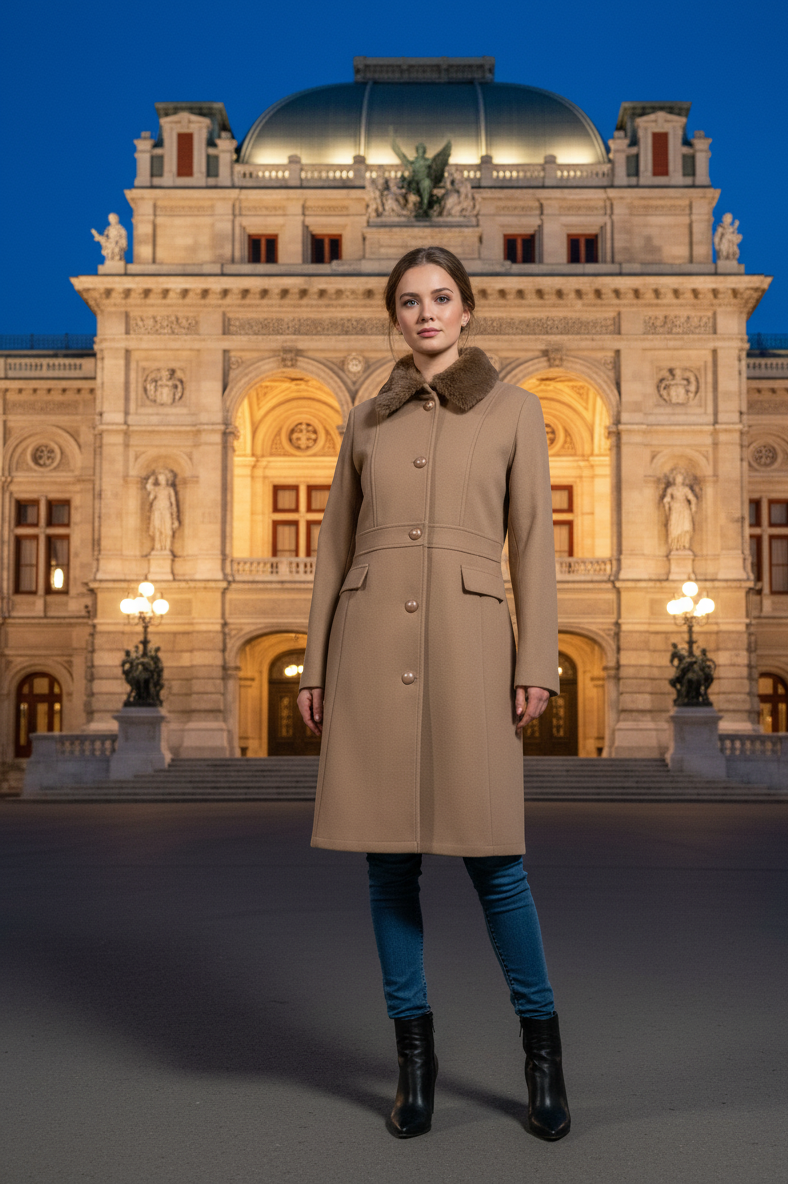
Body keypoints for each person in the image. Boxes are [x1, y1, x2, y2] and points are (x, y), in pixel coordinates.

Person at [297, 245, 570, 1142]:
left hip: (471, 642)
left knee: (498, 864)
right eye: (410, 301)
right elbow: (334, 547)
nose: (426, 314)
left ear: (467, 310)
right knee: (388, 866)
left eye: (441, 298)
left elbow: (532, 541)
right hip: (371, 645)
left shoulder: (515, 409)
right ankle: (414, 1059)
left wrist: (536, 661)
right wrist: (315, 664)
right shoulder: (364, 420)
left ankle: (542, 1053)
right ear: (396, 316)